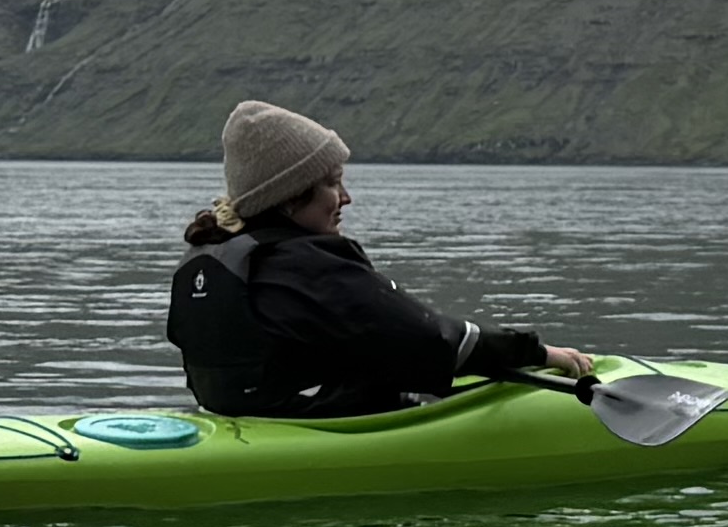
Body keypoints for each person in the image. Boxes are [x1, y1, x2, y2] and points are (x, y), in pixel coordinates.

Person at [167, 100, 601, 419]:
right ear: (289, 196)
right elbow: (430, 339)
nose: (345, 198)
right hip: (314, 424)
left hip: (236, 415)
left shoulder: (211, 255)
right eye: (333, 183)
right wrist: (536, 352)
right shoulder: (305, 264)